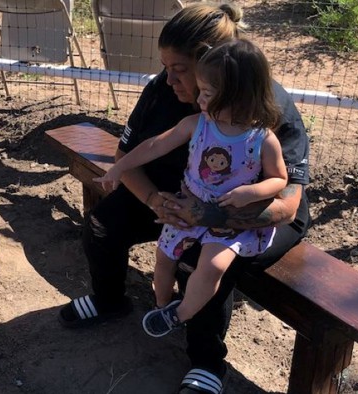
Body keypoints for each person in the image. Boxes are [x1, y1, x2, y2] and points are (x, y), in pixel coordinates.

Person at [56, 3, 311, 394]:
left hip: (258, 215)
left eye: (179, 69)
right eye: (166, 67)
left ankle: (207, 362)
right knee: (103, 221)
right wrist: (157, 201)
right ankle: (109, 300)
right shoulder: (164, 90)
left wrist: (206, 214)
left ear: (210, 63)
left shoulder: (266, 107)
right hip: (182, 195)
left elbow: (287, 200)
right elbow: (129, 155)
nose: (168, 78)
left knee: (202, 257)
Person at [92, 38, 287, 339]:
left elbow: (279, 179)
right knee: (164, 257)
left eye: (207, 94)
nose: (200, 101)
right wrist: (120, 166)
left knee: (212, 267)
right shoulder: (197, 123)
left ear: (239, 97)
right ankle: (161, 304)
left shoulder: (262, 139)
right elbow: (155, 145)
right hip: (189, 206)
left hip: (228, 221)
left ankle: (179, 314)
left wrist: (253, 192)